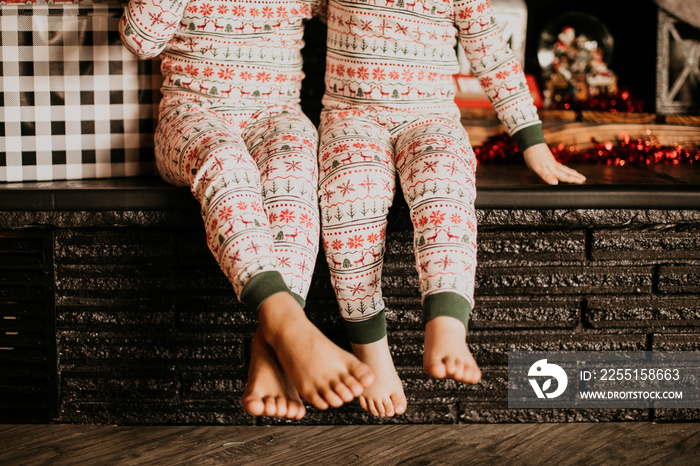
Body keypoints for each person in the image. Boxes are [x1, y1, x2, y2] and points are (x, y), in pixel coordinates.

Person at [318, 0, 586, 417]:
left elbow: (492, 55)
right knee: (349, 202)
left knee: (446, 186)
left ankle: (447, 323)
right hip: (350, 118)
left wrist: (531, 140)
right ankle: (370, 348)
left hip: (430, 118)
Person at [119, 0, 375, 420]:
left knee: (294, 166)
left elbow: (357, 14)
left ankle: (270, 346)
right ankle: (287, 323)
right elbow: (141, 39)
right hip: (190, 115)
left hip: (276, 116)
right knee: (227, 161)